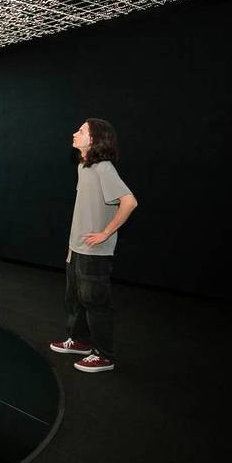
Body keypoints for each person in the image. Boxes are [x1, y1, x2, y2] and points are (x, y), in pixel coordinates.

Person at [49, 119, 138, 373]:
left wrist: (105, 233)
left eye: (81, 131)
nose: (75, 133)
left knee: (96, 302)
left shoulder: (103, 167)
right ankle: (80, 342)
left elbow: (129, 202)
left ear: (94, 139)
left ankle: (104, 355)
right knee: (75, 299)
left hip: (94, 252)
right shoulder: (84, 166)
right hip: (76, 248)